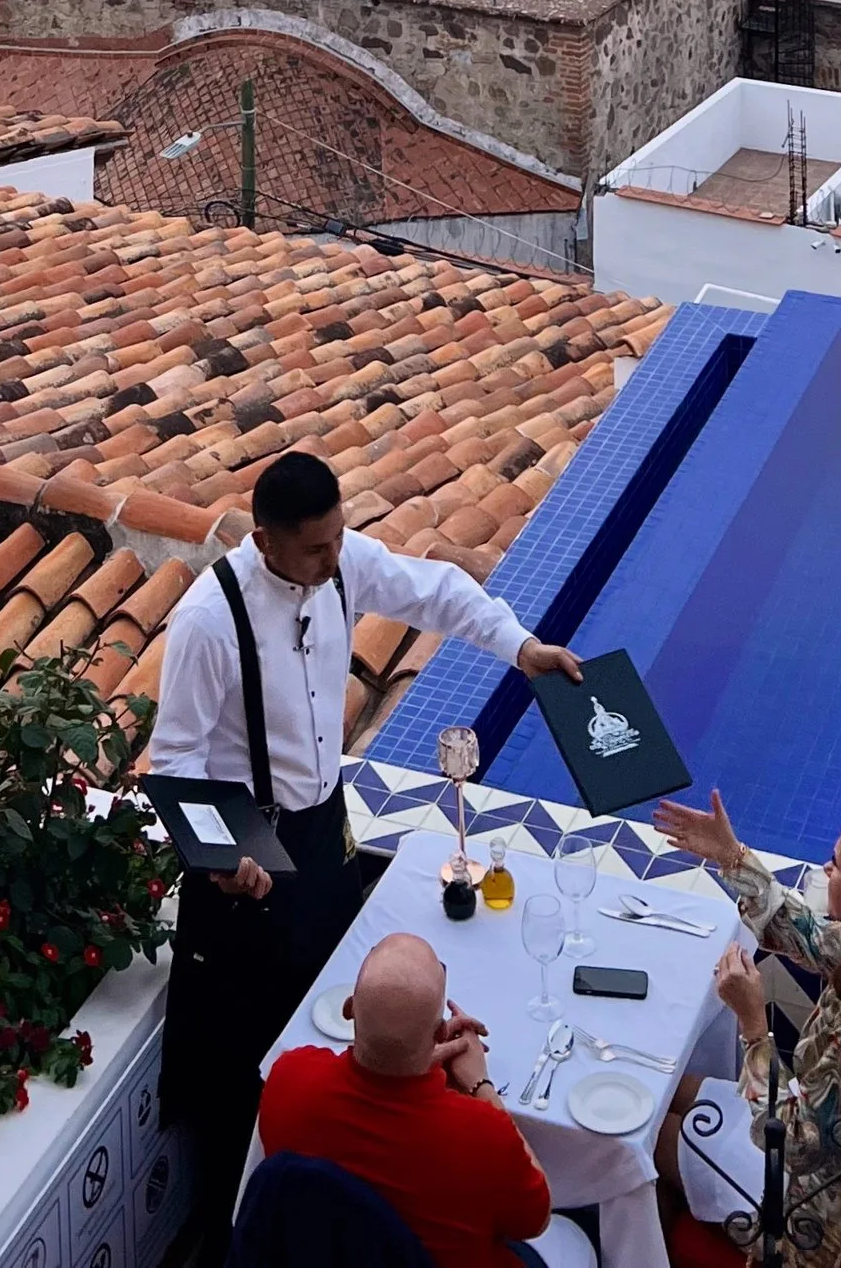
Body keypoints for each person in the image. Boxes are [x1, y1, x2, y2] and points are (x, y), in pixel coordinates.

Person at [148, 447, 581, 1265]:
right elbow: (175, 761)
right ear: (267, 541)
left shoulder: (344, 565)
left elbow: (439, 591)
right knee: (251, 1062)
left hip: (322, 833)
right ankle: (245, 1238)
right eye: (316, 547)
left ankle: (366, 1211)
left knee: (347, 1022)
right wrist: (225, 856)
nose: (334, 557)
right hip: (248, 855)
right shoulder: (210, 620)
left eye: (339, 538)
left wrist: (521, 649)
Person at [649, 795, 841, 1268]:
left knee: (647, 1132)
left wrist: (754, 1027)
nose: (825, 873)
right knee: (659, 1091)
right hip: (837, 1162)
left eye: (836, 867)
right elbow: (800, 930)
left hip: (819, 1224)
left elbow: (795, 1145)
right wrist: (732, 855)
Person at [255, 932, 552, 1268]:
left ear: (349, 1009)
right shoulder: (481, 1132)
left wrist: (406, 1058)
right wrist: (480, 1084)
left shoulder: (288, 1077)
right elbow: (536, 1220)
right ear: (441, 1032)